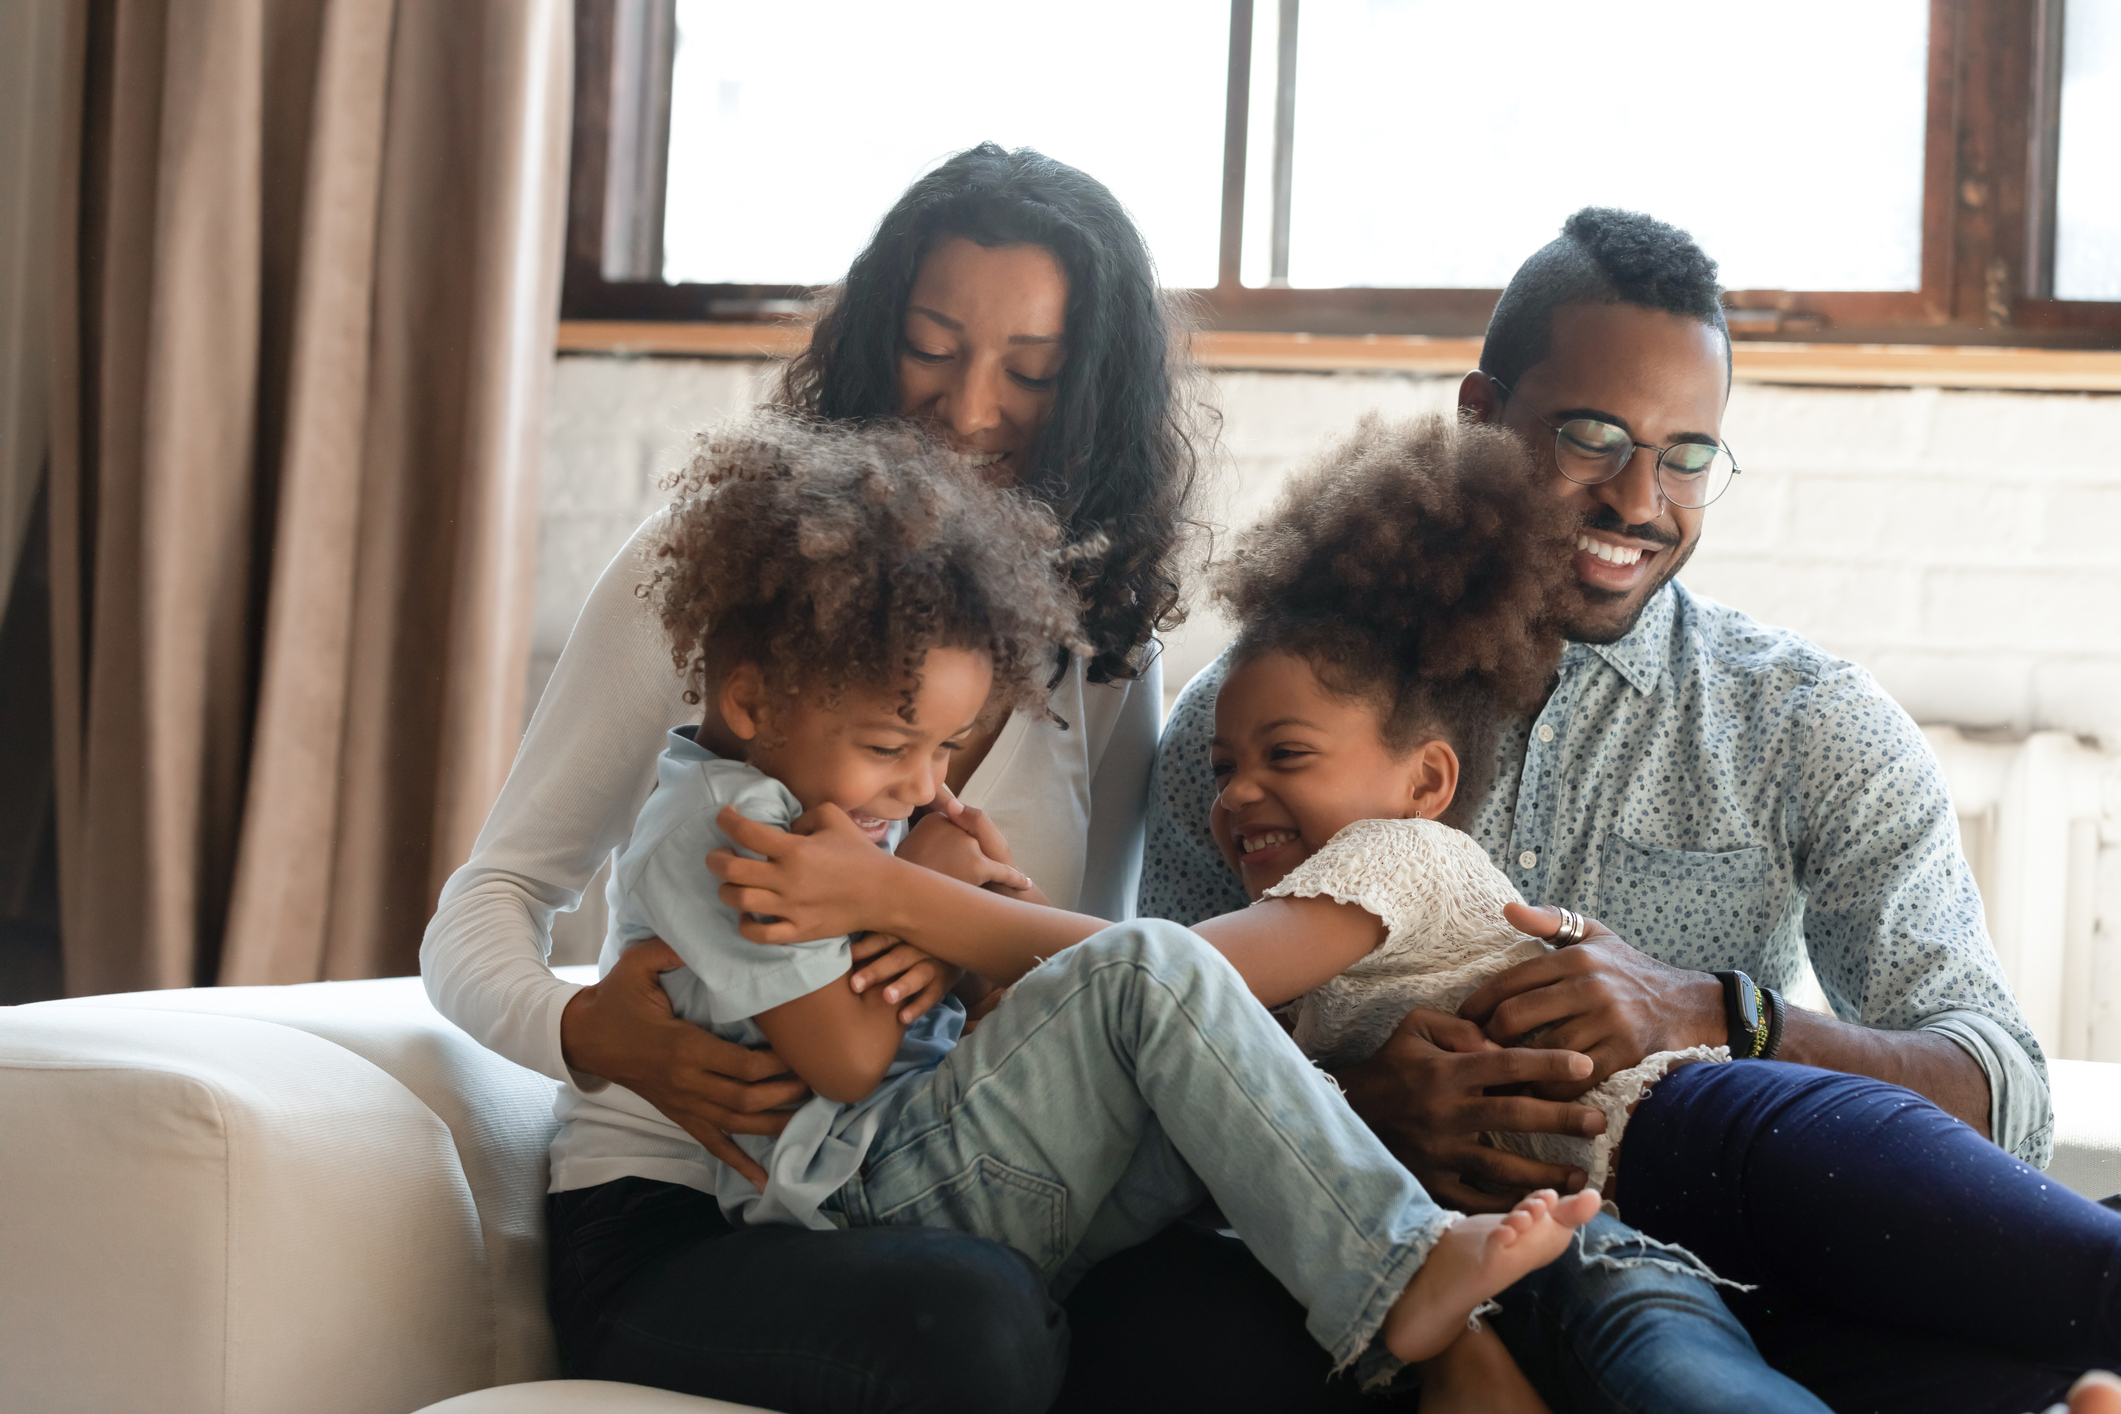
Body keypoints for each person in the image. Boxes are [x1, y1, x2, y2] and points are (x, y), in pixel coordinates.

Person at [1140, 207, 2056, 1411]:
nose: (1640, 497)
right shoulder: (1261, 731)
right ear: (1480, 416)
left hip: (1693, 1281)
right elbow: (1147, 1052)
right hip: (1367, 1292)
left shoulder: (1805, 724)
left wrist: (1721, 1013)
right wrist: (1361, 1110)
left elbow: (2006, 1095)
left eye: (1687, 455)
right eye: (1592, 436)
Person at [563, 411, 1605, 1409]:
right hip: (848, 1190)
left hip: (916, 1144)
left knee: (1189, 1100)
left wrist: (950, 933)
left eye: (943, 751)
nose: (928, 787)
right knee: (1155, 972)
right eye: (896, 748)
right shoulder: (733, 826)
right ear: (752, 703)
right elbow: (842, 1057)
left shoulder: (820, 801)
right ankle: (1403, 1270)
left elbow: (930, 985)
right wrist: (921, 898)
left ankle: (1422, 1316)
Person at [423, 144, 1196, 1413]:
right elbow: (489, 897)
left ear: (1092, 390)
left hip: (948, 1178)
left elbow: (1090, 959)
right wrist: (581, 1029)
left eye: (1034, 371)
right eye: (933, 347)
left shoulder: (1099, 645)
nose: (971, 406)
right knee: (978, 1326)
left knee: (1237, 1335)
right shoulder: (725, 581)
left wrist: (947, 919)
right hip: (682, 1217)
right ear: (872, 339)